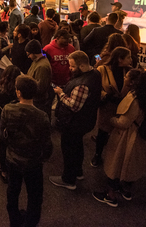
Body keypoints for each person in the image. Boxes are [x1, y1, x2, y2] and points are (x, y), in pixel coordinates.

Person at [92, 69, 146, 207]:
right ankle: (126, 191)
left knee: (117, 165)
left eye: (127, 76)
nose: (124, 77)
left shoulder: (134, 99)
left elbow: (124, 122)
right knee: (130, 166)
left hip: (127, 137)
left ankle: (110, 196)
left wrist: (111, 120)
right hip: (139, 138)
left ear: (133, 82)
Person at [0, 75, 52, 227]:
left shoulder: (8, 109)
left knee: (13, 191)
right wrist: (42, 158)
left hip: (12, 159)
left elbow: (2, 135)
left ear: (18, 93)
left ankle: (14, 221)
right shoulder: (42, 116)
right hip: (33, 163)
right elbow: (47, 144)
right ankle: (30, 222)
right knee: (35, 197)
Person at [50, 51, 101, 190]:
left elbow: (74, 105)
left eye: (72, 66)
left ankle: (68, 179)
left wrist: (61, 93)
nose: (70, 69)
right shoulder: (95, 74)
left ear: (82, 65)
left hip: (74, 123)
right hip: (85, 121)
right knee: (77, 147)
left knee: (69, 150)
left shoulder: (83, 84)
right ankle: (78, 172)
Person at [91, 47, 133, 168]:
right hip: (107, 106)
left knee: (118, 134)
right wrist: (106, 95)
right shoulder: (102, 69)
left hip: (123, 107)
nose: (131, 59)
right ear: (120, 59)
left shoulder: (129, 71)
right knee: (103, 131)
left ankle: (114, 158)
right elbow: (96, 88)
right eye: (128, 57)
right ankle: (98, 154)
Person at [25, 39, 53, 116]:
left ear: (34, 52)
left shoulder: (42, 66)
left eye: (29, 54)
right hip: (35, 100)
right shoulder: (36, 61)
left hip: (39, 102)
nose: (28, 57)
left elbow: (40, 87)